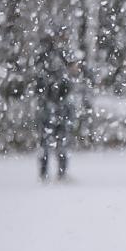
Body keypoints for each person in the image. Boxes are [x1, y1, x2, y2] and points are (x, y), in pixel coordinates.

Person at [34, 33, 79, 182]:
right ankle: (60, 172)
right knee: (60, 141)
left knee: (47, 141)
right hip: (57, 106)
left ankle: (46, 172)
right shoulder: (61, 56)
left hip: (49, 105)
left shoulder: (43, 58)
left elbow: (38, 84)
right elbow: (69, 80)